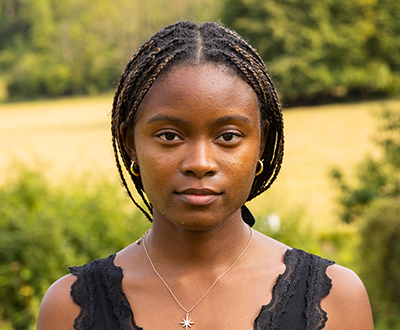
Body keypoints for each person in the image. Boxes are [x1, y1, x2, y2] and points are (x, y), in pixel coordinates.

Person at [37, 21, 373, 330]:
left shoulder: (335, 301)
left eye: (228, 136)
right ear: (131, 145)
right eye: (169, 136)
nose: (200, 163)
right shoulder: (70, 309)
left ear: (261, 143)